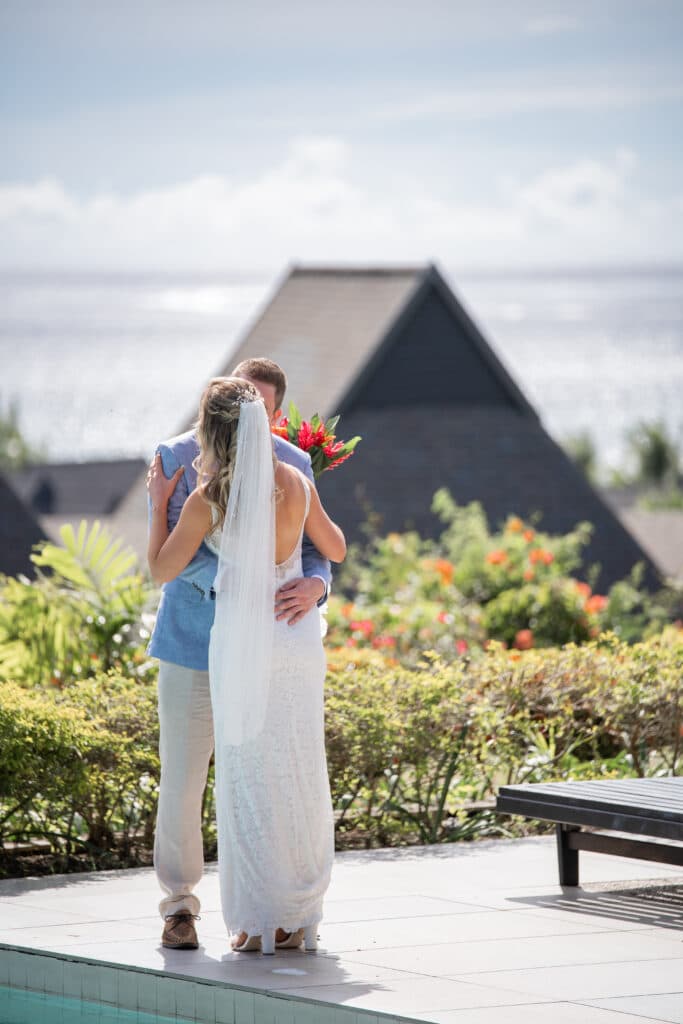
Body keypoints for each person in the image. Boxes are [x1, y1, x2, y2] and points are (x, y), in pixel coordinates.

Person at [148, 377, 345, 954]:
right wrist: (251, 585)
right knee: (203, 781)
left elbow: (321, 559)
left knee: (260, 780)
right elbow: (331, 540)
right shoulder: (177, 457)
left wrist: (315, 585)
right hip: (207, 644)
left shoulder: (263, 475)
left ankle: (267, 914)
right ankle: (185, 908)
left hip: (252, 642)